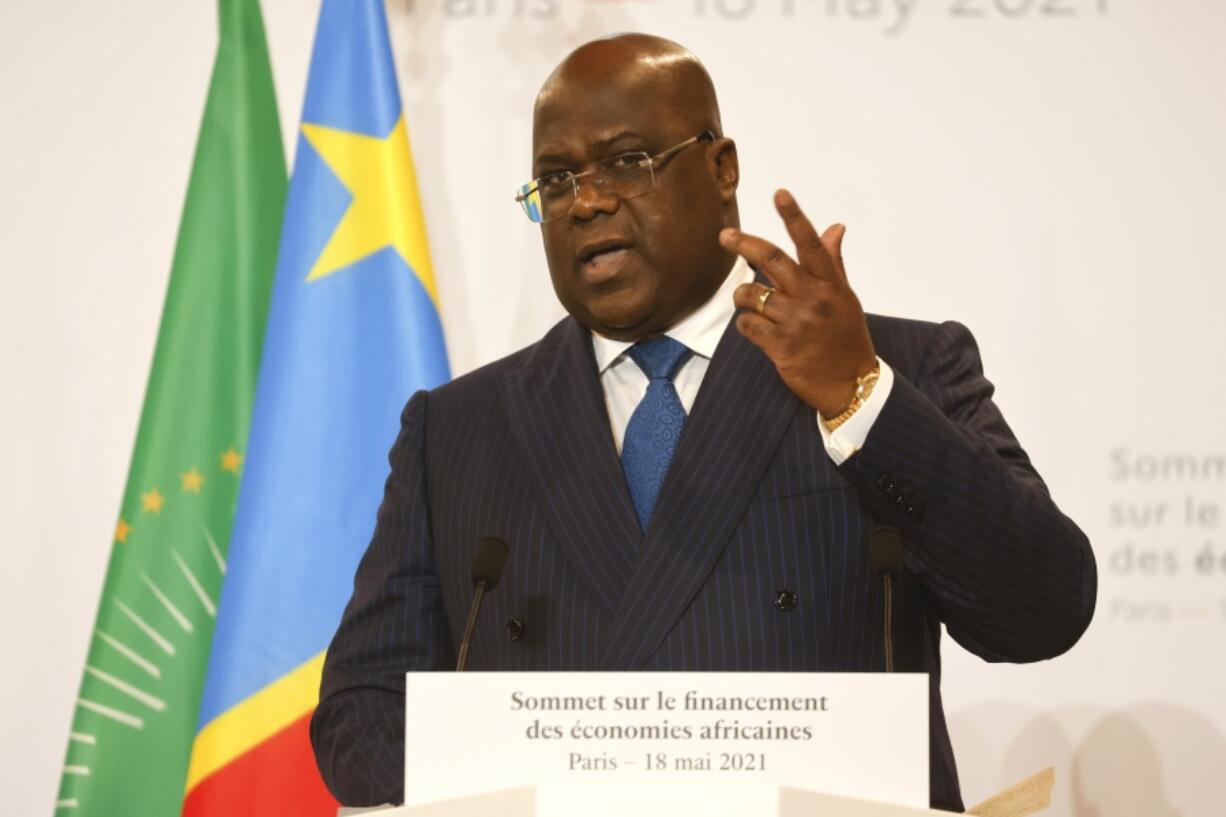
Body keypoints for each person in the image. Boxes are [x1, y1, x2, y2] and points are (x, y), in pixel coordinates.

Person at [310, 33, 1097, 812]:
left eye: (627, 161)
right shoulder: (458, 429)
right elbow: (358, 715)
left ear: (722, 168)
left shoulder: (899, 366)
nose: (586, 200)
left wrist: (860, 396)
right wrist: (519, 778)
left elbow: (1043, 611)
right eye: (555, 180)